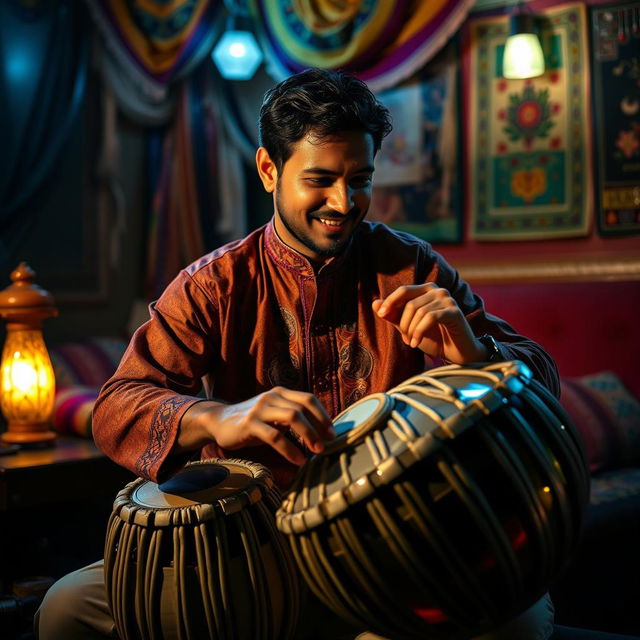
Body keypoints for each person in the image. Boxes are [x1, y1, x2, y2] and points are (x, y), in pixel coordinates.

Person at [35, 67, 589, 640]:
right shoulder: (214, 284)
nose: (344, 202)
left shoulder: (411, 266)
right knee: (65, 611)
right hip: (254, 549)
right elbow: (116, 407)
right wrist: (218, 419)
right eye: (320, 179)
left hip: (398, 541)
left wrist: (475, 356)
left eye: (360, 179)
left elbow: (538, 377)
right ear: (269, 170)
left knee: (517, 627)